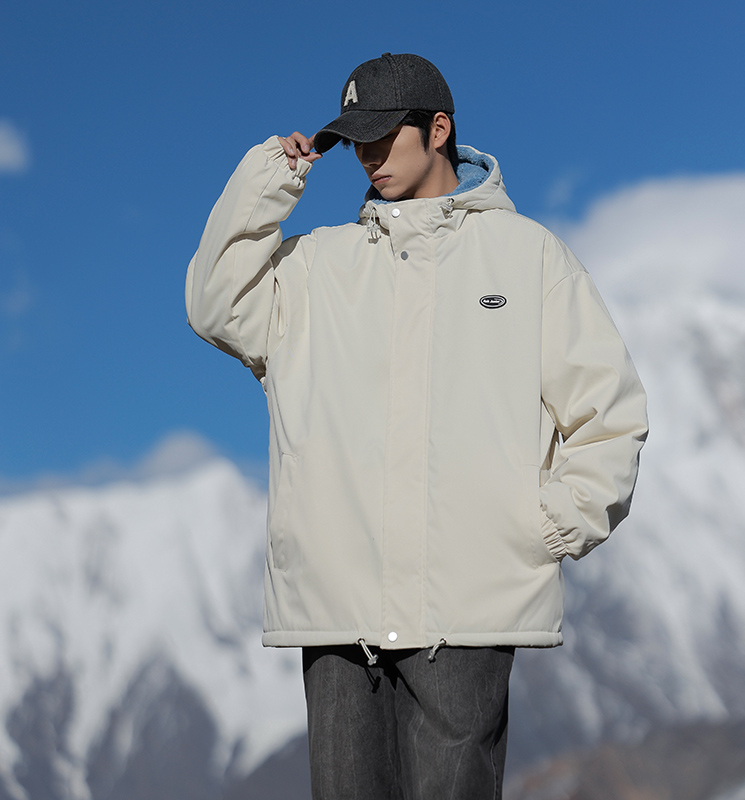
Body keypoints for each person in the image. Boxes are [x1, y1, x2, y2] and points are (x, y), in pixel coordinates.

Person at [186, 53, 647, 800]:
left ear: (439, 130)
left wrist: (544, 526)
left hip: (469, 607)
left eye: (382, 133)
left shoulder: (528, 257)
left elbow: (611, 412)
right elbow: (214, 303)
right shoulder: (316, 267)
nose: (367, 153)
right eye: (353, 139)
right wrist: (271, 178)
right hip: (337, 612)